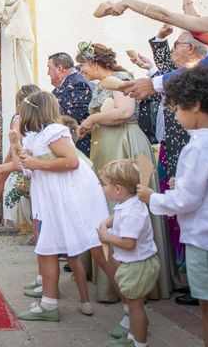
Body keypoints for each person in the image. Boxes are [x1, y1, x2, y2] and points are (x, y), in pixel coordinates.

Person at [137, 65, 208, 347]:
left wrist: (150, 197)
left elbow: (186, 200)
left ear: (196, 106)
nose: (175, 116)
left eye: (177, 109)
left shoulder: (200, 147)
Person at [75, 42, 176, 304]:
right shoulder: (99, 85)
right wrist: (89, 125)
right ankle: (112, 278)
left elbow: (125, 112)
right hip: (105, 145)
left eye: (82, 65)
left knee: (125, 201)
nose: (81, 70)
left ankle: (136, 280)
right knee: (106, 202)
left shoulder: (120, 79)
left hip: (124, 145)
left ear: (95, 63)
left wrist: (93, 120)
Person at [11, 92, 111, 322]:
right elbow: (25, 165)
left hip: (73, 196)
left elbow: (71, 161)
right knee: (47, 249)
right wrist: (17, 150)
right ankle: (49, 304)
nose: (20, 114)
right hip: (51, 199)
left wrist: (36, 163)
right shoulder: (34, 136)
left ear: (34, 111)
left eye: (23, 110)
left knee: (98, 248)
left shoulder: (54, 131)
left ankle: (131, 307)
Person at [98, 160, 161, 347]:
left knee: (135, 307)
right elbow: (116, 216)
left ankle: (139, 343)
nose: (103, 188)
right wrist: (106, 224)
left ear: (118, 189)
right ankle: (132, 338)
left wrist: (107, 237)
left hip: (138, 266)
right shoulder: (128, 203)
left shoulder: (132, 211)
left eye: (104, 184)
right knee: (134, 307)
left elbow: (128, 243)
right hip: (134, 264)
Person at [0, 84, 41, 228]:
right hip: (44, 167)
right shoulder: (45, 119)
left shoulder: (18, 119)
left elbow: (13, 156)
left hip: (29, 168)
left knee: (37, 211)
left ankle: (42, 245)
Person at [48, 52, 92, 156]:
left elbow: (70, 118)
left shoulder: (77, 84)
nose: (48, 73)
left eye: (49, 68)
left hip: (76, 146)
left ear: (59, 69)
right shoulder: (66, 84)